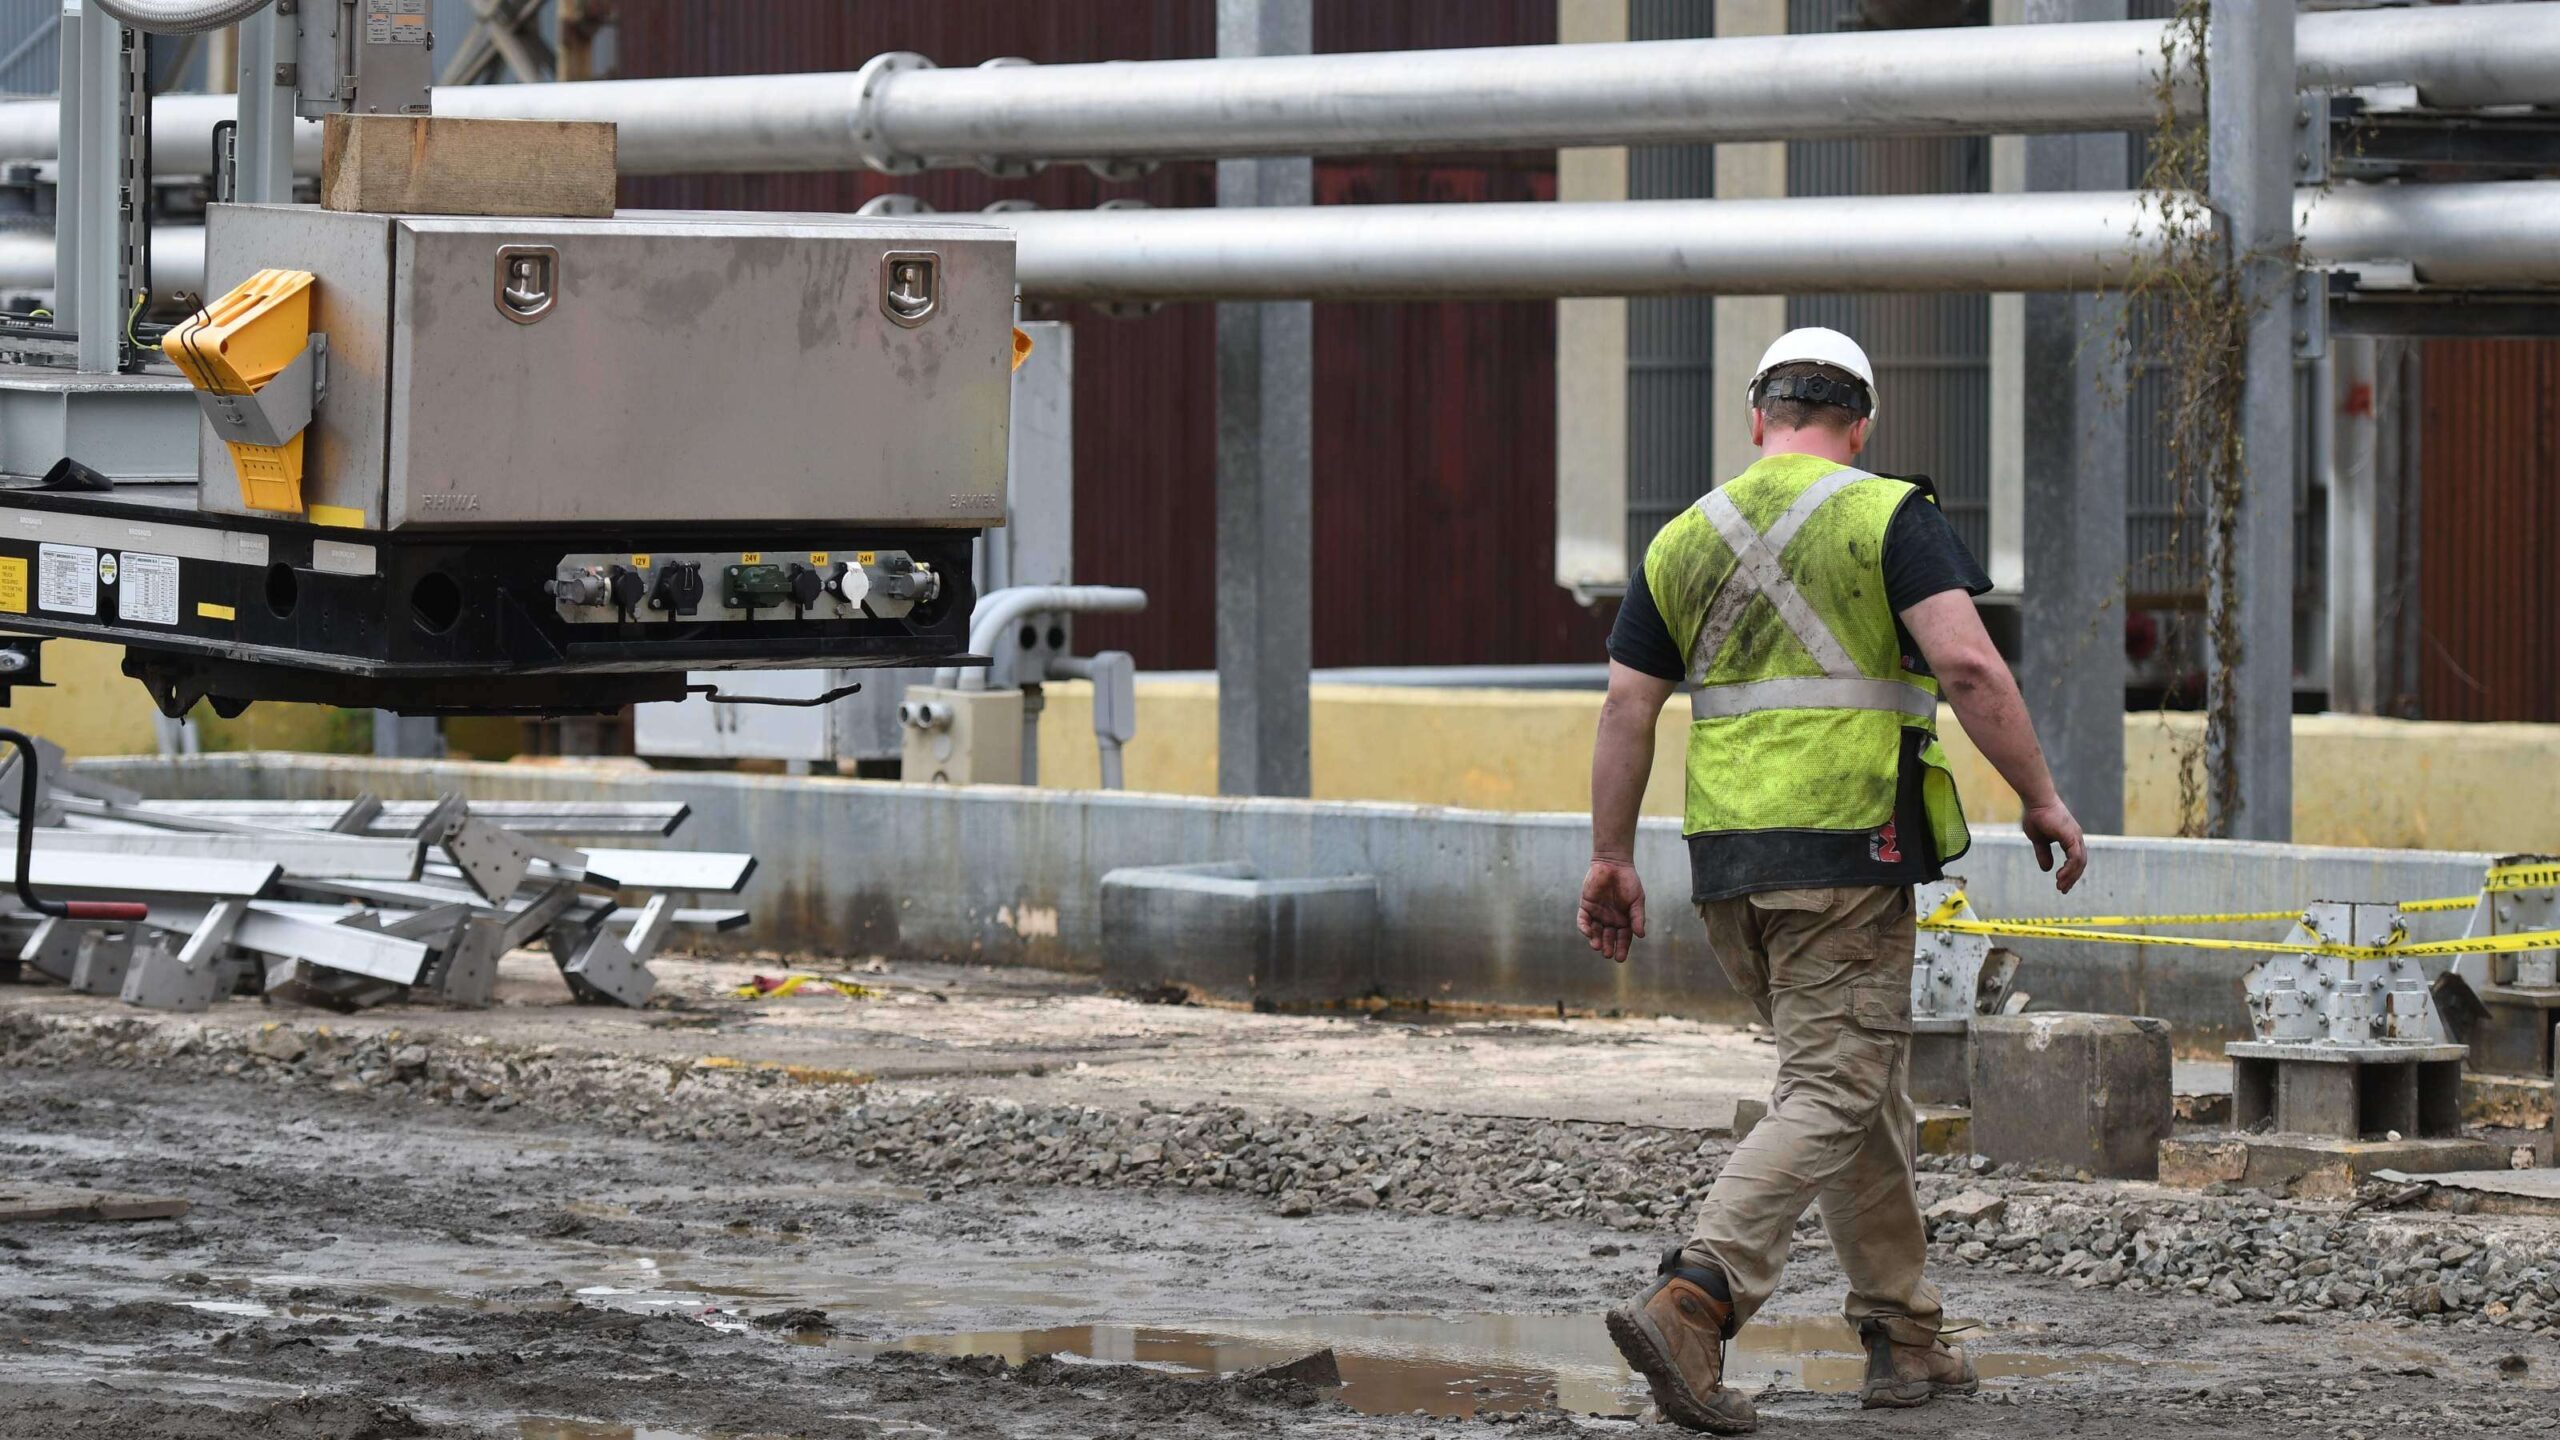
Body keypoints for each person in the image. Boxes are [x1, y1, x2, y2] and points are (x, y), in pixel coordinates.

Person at [1577, 327, 2089, 1433]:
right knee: (1832, 1087)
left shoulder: (1683, 536)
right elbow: (1965, 663)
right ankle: (1696, 1297)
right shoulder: (1884, 513)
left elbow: (1626, 706)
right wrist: (2039, 795)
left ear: (1755, 418)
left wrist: (1610, 856)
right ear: (1861, 424)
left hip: (1728, 867)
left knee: (1859, 1087)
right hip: (1844, 852)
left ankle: (1902, 1338)